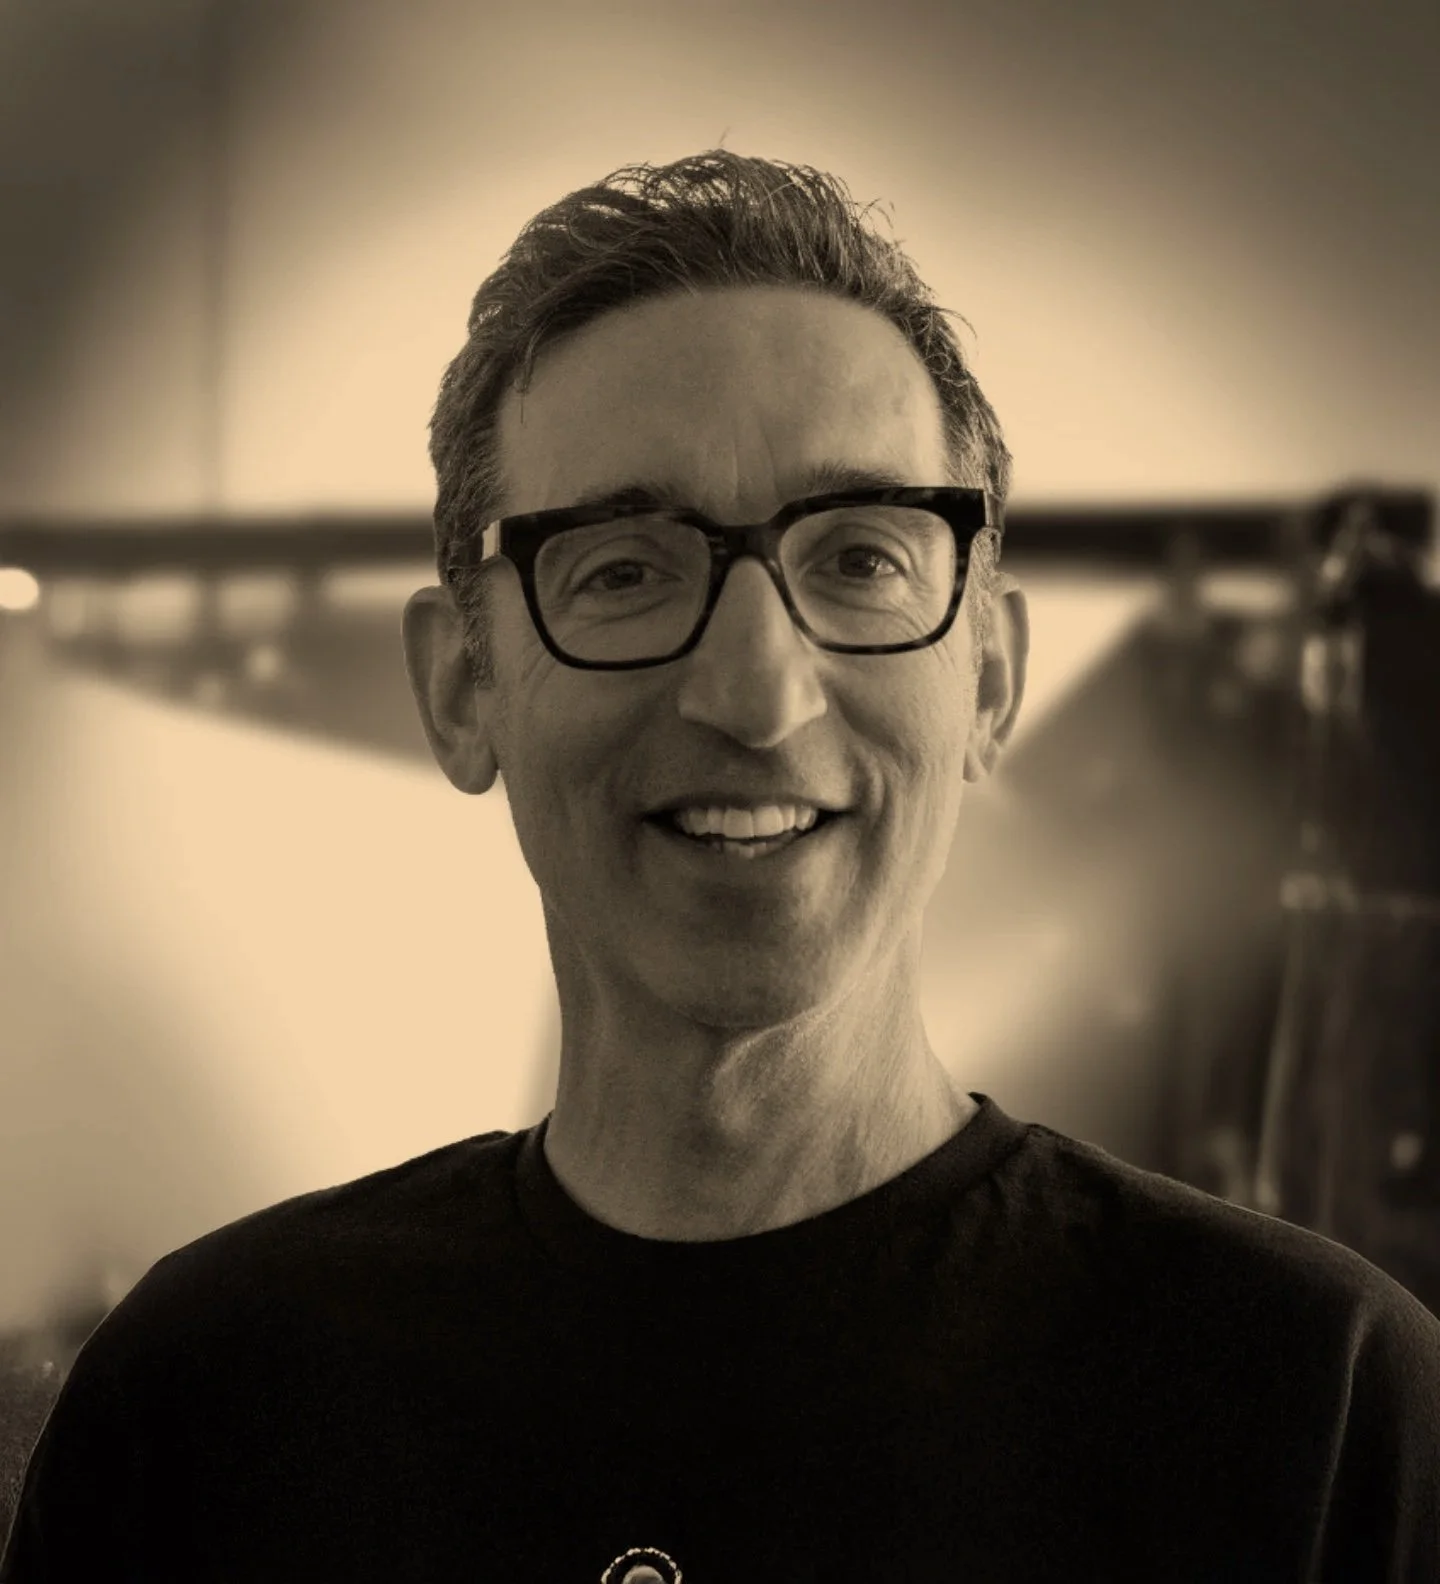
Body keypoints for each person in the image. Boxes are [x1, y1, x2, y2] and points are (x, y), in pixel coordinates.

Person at [4, 150, 1438, 1584]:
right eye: (624, 568)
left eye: (862, 559)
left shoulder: (1326, 1415)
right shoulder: (206, 1412)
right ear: (461, 686)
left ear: (989, 681)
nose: (758, 695)